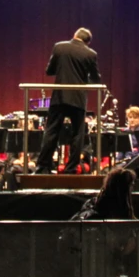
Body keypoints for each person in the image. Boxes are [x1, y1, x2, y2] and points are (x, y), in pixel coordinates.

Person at [35, 28, 101, 175]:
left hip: (59, 96)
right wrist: (84, 80)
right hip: (78, 98)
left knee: (51, 131)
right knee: (78, 134)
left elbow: (49, 71)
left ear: (74, 35)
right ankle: (71, 169)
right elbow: (96, 79)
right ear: (87, 42)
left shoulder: (59, 47)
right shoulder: (91, 54)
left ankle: (42, 167)